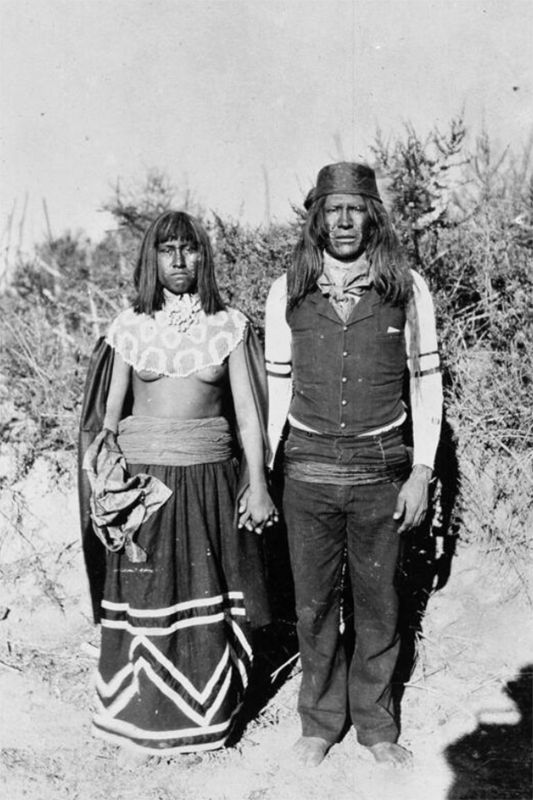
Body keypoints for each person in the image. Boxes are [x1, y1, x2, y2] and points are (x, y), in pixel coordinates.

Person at [79, 210, 277, 760]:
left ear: (203, 256)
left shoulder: (229, 326)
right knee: (146, 588)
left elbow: (248, 416)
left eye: (189, 249)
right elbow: (109, 417)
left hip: (210, 478)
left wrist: (258, 483)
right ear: (152, 259)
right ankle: (135, 717)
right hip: (144, 484)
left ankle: (208, 718)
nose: (179, 260)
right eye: (167, 250)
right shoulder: (129, 326)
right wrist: (108, 483)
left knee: (206, 587)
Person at [265, 162, 442, 768]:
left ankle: (376, 724)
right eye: (332, 209)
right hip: (308, 471)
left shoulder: (407, 288)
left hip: (381, 471)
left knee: (379, 603)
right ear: (317, 218)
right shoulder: (287, 290)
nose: (343, 221)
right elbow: (276, 391)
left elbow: (426, 384)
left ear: (372, 217)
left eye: (355, 208)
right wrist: (264, 474)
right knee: (313, 606)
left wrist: (422, 472)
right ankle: (319, 723)